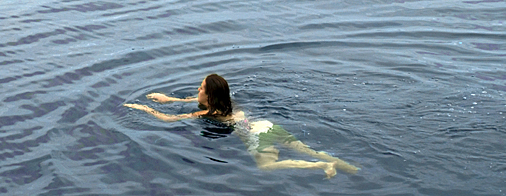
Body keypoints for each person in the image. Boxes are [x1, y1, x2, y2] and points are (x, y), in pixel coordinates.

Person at [123, 74, 359, 179]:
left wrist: (144, 109)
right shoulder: (228, 103)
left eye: (201, 87)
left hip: (255, 136)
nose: (197, 89)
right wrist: (169, 99)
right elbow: (190, 101)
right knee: (309, 149)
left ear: (209, 95)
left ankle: (321, 165)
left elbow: (169, 120)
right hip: (267, 125)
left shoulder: (207, 113)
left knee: (267, 167)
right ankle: (353, 171)